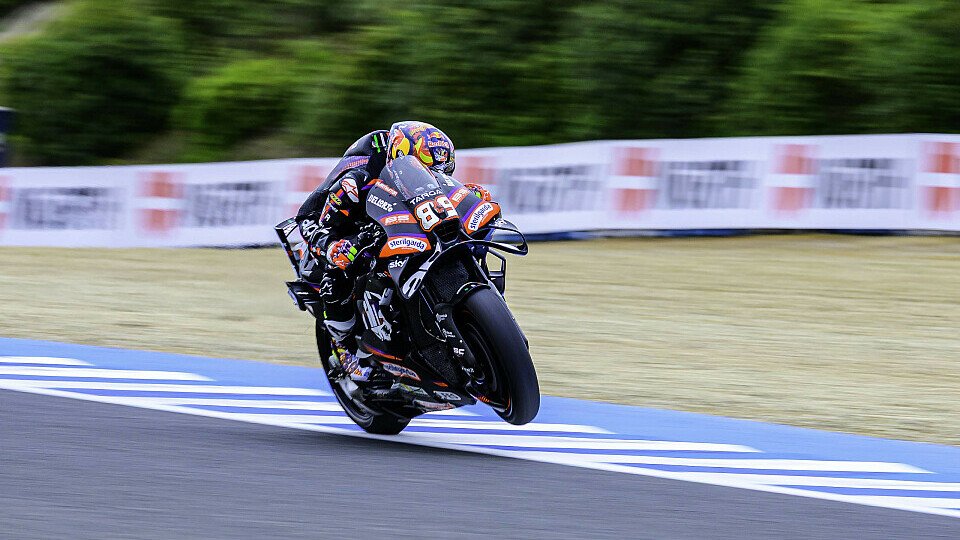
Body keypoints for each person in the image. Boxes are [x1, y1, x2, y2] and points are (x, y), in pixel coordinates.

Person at [296, 121, 492, 380]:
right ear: (402, 155)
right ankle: (344, 350)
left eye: (440, 171)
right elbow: (312, 220)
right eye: (426, 169)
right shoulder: (358, 176)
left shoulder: (426, 170)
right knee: (336, 276)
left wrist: (468, 194)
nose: (432, 175)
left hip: (400, 214)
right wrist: (332, 246)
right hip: (343, 221)